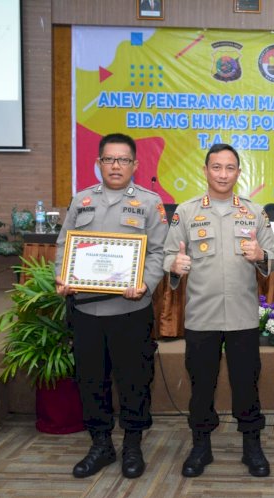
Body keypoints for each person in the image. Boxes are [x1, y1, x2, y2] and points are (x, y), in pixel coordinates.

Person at [55, 133, 168, 479]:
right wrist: (63, 276)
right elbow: (63, 246)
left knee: (134, 380)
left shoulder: (150, 204)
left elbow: (159, 253)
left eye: (122, 160)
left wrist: (146, 283)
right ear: (99, 163)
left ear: (135, 165)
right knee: (92, 380)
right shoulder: (82, 200)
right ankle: (100, 444)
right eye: (109, 159)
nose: (115, 165)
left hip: (130, 312)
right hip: (87, 312)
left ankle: (132, 445)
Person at [162, 143, 274, 478]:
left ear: (239, 173)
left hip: (242, 317)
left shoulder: (255, 213)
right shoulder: (186, 211)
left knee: (246, 384)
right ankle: (200, 445)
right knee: (202, 385)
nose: (223, 174)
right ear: (205, 170)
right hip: (202, 316)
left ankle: (252, 445)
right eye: (216, 167)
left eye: (230, 168)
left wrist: (261, 257)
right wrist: (175, 264)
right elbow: (168, 254)